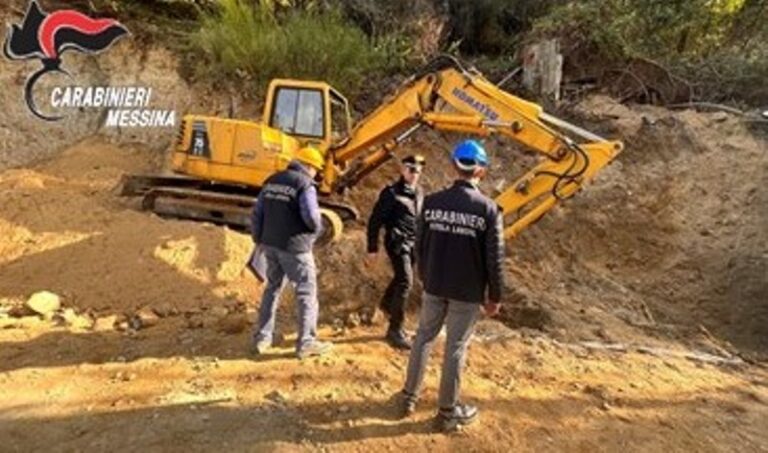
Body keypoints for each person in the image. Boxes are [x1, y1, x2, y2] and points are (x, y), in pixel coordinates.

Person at [397, 140, 505, 432]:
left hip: (435, 285)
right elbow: (494, 259)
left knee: (423, 338)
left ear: (453, 165)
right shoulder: (488, 210)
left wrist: (424, 275)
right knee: (455, 347)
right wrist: (494, 296)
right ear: (480, 170)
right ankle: (446, 413)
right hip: (467, 293)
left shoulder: (431, 203)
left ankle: (408, 397)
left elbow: (419, 245)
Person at [250, 145, 333, 359]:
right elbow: (312, 217)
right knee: (306, 292)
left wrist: (259, 239)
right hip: (295, 247)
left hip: (270, 244)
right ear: (308, 166)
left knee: (273, 288)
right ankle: (306, 342)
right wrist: (317, 230)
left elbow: (257, 213)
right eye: (315, 169)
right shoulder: (304, 184)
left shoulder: (272, 180)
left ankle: (263, 338)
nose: (316, 173)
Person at [366, 155, 426, 350]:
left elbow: (419, 220)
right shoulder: (390, 194)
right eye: (411, 170)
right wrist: (372, 249)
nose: (414, 174)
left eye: (417, 171)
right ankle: (394, 330)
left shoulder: (419, 193)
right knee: (405, 281)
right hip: (396, 243)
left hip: (413, 244)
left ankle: (386, 304)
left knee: (401, 278)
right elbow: (375, 221)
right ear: (402, 170)